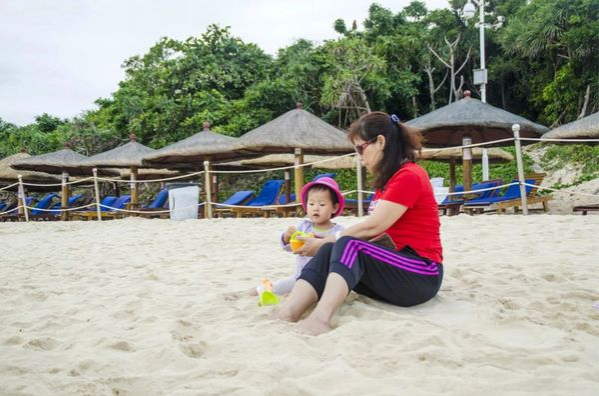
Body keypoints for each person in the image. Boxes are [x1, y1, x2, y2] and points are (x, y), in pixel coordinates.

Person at [271, 112, 443, 335]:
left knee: (346, 243)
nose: (360, 157)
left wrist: (326, 241)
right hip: (394, 265)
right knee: (332, 248)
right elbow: (374, 235)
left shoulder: (409, 175)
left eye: (361, 148)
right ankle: (288, 312)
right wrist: (324, 244)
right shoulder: (388, 183)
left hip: (422, 273)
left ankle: (321, 319)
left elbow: (373, 227)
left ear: (380, 142)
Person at [227, 177, 345, 299]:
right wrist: (287, 236)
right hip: (300, 277)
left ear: (334, 208)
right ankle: (246, 294)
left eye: (322, 204)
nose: (316, 208)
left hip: (326, 282)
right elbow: (289, 247)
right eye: (311, 204)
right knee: (276, 286)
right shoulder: (304, 226)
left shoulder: (339, 232)